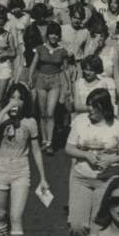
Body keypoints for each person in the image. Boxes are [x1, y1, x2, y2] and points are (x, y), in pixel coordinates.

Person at [0, 82, 50, 236]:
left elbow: (36, 151)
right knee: (0, 214)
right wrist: (4, 111)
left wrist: (43, 178)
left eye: (20, 98)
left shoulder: (30, 122)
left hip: (21, 168)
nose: (16, 101)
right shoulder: (1, 118)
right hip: (1, 167)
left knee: (16, 216)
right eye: (12, 97)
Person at [64, 88, 119, 236]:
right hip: (81, 178)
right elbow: (69, 148)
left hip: (106, 180)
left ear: (104, 108)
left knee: (97, 227)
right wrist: (86, 155)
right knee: (76, 226)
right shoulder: (80, 122)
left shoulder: (117, 126)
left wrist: (112, 160)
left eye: (94, 108)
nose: (90, 111)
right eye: (89, 106)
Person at [28, 21, 70, 153]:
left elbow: (65, 69)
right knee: (43, 113)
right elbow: (34, 64)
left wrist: (67, 86)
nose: (54, 36)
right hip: (41, 80)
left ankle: (50, 143)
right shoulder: (40, 48)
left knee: (50, 113)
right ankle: (44, 140)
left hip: (55, 82)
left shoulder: (62, 51)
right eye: (52, 33)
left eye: (56, 34)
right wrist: (30, 77)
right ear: (48, 35)